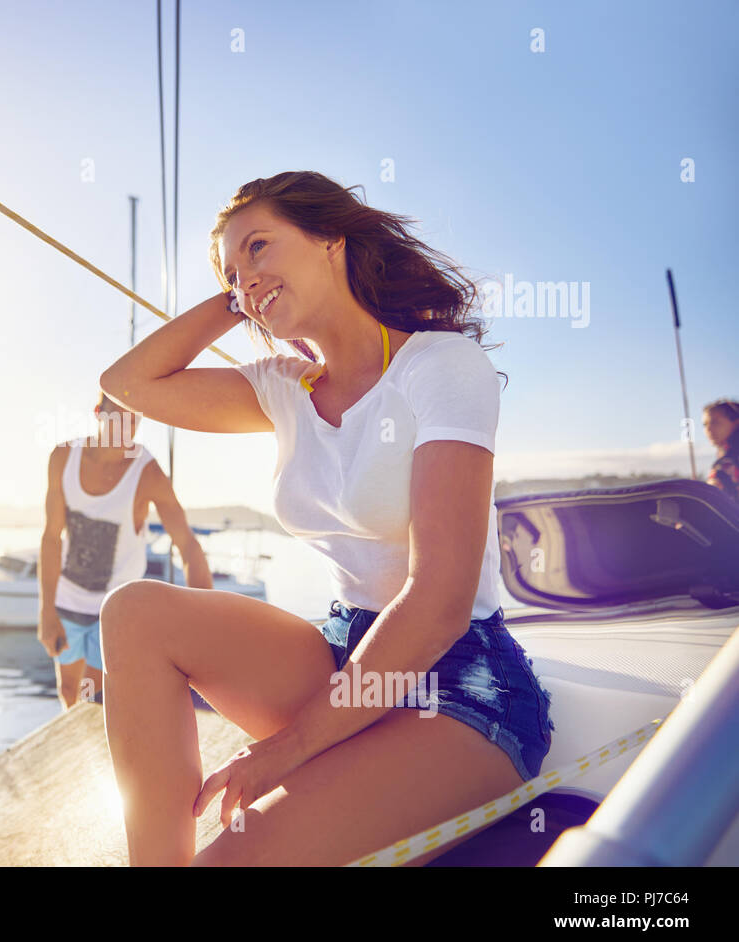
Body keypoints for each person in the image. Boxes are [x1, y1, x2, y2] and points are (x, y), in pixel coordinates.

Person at [97, 170, 555, 866]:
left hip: (460, 685)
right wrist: (238, 301)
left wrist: (285, 751)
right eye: (230, 268)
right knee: (134, 613)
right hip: (344, 653)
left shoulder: (439, 367)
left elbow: (439, 604)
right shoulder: (280, 389)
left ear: (331, 241)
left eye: (260, 247)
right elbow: (126, 384)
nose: (245, 277)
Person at [38, 391, 213, 711]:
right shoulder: (63, 458)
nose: (124, 427)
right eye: (116, 416)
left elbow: (187, 543)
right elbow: (51, 537)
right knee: (67, 691)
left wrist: (205, 617)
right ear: (98, 413)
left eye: (133, 419)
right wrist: (47, 610)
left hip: (116, 610)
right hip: (68, 602)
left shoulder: (147, 472)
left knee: (94, 701)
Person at [702, 399, 739, 504]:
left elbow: (709, 498)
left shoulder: (728, 462)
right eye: (705, 424)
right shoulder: (725, 457)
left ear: (736, 423)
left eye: (715, 422)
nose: (708, 429)